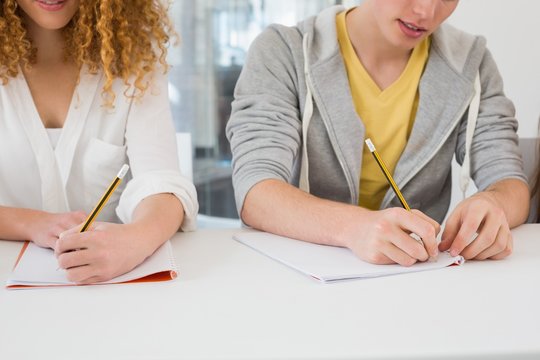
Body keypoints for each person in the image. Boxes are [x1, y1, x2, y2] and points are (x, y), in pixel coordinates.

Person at [226, 0, 530, 266]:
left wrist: (494, 205)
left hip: (415, 278)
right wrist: (353, 227)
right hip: (301, 277)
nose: (426, 11)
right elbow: (256, 193)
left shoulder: (472, 64)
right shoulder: (284, 50)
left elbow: (510, 183)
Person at [0, 0, 198, 283]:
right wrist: (29, 222)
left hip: (108, 291)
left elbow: (161, 181)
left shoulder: (133, 47)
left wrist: (136, 240)